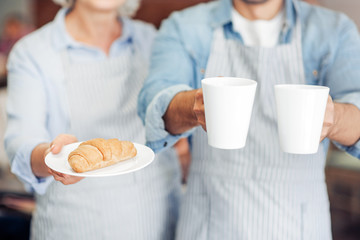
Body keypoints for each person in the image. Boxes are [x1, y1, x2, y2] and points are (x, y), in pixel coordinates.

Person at [138, 0, 360, 239]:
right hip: (208, 224)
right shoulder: (184, 26)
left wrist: (332, 117)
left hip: (300, 225)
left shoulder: (334, 29)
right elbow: (153, 104)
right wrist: (195, 106)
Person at [5, 0, 181, 239]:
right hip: (72, 225)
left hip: (154, 219)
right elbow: (20, 143)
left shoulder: (153, 40)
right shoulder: (33, 53)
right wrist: (52, 156)